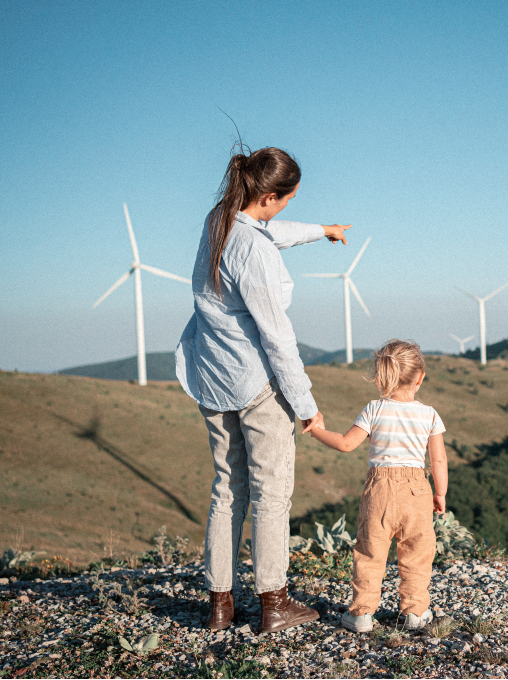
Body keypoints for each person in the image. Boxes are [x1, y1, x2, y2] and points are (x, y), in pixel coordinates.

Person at [175, 146, 350, 633]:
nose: (290, 206)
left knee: (227, 489)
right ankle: (274, 602)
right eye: (289, 198)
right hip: (254, 382)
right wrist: (307, 407)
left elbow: (271, 230)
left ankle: (219, 604)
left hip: (211, 377)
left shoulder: (219, 219)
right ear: (270, 195)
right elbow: (277, 336)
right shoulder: (254, 251)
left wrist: (322, 231)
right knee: (272, 493)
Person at [307, 339, 448, 632]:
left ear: (384, 374)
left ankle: (361, 615)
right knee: (417, 553)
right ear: (420, 377)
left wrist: (317, 431)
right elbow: (439, 461)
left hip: (380, 490)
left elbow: (346, 444)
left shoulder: (374, 409)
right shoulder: (430, 414)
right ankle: (415, 612)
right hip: (417, 489)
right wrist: (440, 493)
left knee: (370, 552)